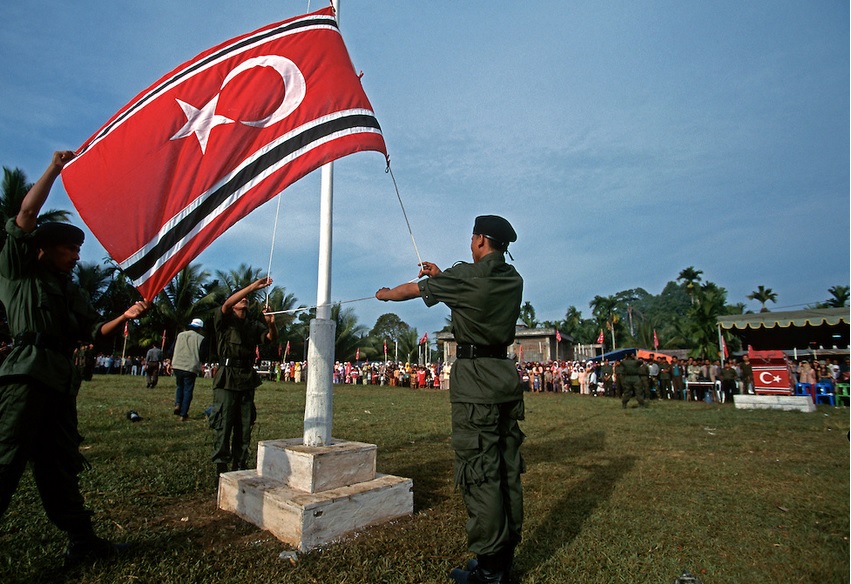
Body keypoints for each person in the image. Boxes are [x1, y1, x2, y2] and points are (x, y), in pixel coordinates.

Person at [0, 151, 150, 564]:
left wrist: (125, 315)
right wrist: (53, 169)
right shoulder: (19, 272)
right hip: (26, 378)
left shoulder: (71, 290)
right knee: (5, 461)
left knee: (60, 468)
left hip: (59, 384)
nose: (76, 256)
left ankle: (83, 543)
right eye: (68, 248)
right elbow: (26, 213)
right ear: (43, 250)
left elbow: (92, 334)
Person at [376, 214, 524, 584]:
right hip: (504, 377)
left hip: (476, 382)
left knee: (480, 474)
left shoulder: (466, 277)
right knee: (507, 470)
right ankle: (502, 558)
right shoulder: (512, 279)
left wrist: (385, 295)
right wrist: (444, 276)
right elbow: (473, 295)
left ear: (479, 240)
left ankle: (490, 571)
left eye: (472, 238)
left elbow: (410, 291)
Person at [210, 277, 277, 477]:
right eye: (242, 296)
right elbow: (227, 304)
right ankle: (221, 466)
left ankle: (240, 464)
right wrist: (253, 286)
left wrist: (271, 324)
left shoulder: (252, 324)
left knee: (244, 423)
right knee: (224, 422)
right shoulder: (225, 319)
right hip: (227, 377)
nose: (245, 299)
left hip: (246, 376)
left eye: (247, 297)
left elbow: (270, 338)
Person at [171, 318, 208, 421]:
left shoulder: (180, 335)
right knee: (188, 390)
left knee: (179, 386)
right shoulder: (201, 339)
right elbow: (202, 355)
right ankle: (183, 414)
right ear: (200, 328)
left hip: (177, 364)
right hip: (190, 367)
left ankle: (178, 403)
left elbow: (172, 349)